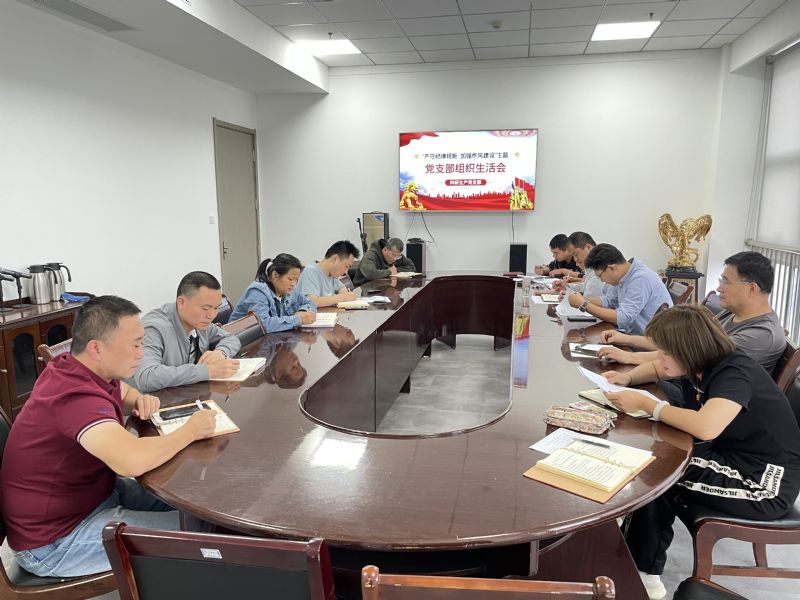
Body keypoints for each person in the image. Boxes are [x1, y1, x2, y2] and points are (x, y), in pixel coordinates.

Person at [0, 296, 217, 578]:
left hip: (92, 497)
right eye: (135, 345)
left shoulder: (80, 367)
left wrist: (139, 399)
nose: (141, 353)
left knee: (198, 504)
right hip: (55, 541)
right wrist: (191, 430)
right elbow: (131, 461)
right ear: (96, 348)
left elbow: (123, 392)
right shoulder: (74, 397)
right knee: (200, 532)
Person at [601, 304, 800, 600]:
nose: (660, 357)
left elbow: (706, 427)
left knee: (661, 472)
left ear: (689, 349)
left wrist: (650, 406)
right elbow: (656, 367)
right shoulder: (698, 362)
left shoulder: (734, 371)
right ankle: (628, 539)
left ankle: (644, 576)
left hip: (763, 483)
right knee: (659, 457)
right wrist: (628, 379)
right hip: (731, 455)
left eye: (666, 352)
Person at [597, 251, 786, 372]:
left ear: (752, 288)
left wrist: (631, 357)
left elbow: (690, 357)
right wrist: (627, 340)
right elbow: (681, 344)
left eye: (726, 282)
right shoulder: (732, 313)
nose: (719, 288)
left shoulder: (761, 334)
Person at [130, 271, 241, 393]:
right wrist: (207, 371)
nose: (211, 315)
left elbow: (231, 339)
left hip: (189, 395)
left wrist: (221, 352)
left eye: (216, 308)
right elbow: (146, 377)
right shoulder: (154, 328)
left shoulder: (200, 322)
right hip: (156, 401)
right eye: (206, 308)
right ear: (181, 302)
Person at [567, 243, 672, 335]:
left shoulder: (640, 278)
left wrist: (584, 304)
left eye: (600, 276)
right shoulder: (623, 275)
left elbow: (623, 318)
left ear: (611, 268)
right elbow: (608, 301)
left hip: (648, 341)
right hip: (631, 334)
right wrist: (580, 299)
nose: (602, 280)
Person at [231, 253, 316, 332]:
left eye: (296, 279)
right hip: (242, 340)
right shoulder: (257, 291)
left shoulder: (289, 288)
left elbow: (310, 302)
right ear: (275, 275)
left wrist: (302, 311)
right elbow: (263, 325)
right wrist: (297, 319)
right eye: (290, 279)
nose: (294, 284)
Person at [297, 240, 360, 307]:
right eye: (346, 266)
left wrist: (345, 295)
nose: (346, 272)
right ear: (335, 259)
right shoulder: (310, 271)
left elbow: (342, 288)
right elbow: (312, 302)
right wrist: (342, 297)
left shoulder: (332, 274)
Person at [556, 231, 608, 299]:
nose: (576, 260)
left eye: (575, 255)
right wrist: (567, 287)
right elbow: (586, 287)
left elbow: (589, 300)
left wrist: (569, 298)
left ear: (588, 247)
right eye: (573, 256)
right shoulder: (590, 266)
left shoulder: (599, 267)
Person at [352, 238, 416, 287]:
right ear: (385, 250)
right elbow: (370, 274)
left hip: (383, 286)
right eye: (393, 255)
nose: (395, 259)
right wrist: (389, 272)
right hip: (364, 289)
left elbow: (411, 267)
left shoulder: (396, 255)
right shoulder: (370, 256)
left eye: (398, 256)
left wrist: (395, 270)